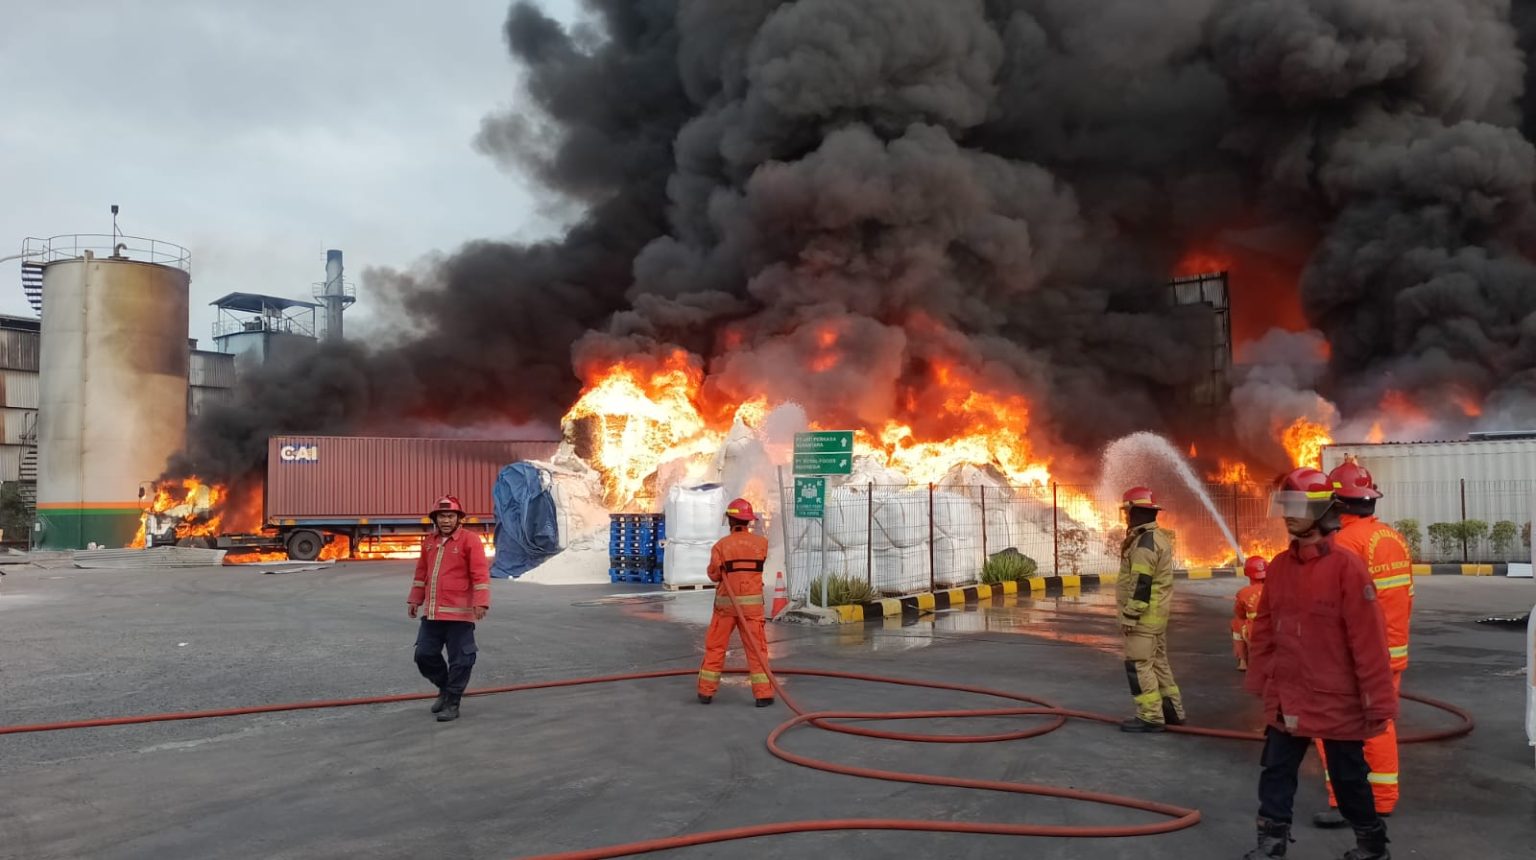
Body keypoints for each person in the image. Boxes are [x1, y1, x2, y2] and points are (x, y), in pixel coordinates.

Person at [1242, 468, 1396, 860]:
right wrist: (1262, 681)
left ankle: (1371, 843)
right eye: (1286, 506)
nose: (1289, 515)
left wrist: (1377, 704)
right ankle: (1271, 845)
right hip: (1288, 696)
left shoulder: (1347, 568)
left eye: (1298, 506)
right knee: (1275, 770)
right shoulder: (1278, 568)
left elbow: (1369, 644)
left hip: (1335, 698)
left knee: (1348, 777)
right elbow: (1263, 630)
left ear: (1322, 510)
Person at [1312, 456, 1414, 827]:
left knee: (1335, 730)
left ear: (1337, 502)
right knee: (1380, 724)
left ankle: (1343, 800)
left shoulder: (1343, 544)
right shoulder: (1393, 539)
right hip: (1391, 652)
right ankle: (1383, 799)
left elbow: (1329, 607)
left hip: (1352, 656)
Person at [407, 495, 490, 723]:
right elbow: (421, 574)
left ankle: (453, 702)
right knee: (423, 655)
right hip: (433, 613)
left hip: (460, 614)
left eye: (450, 516)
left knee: (462, 660)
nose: (446, 520)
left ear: (458, 519)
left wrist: (481, 601)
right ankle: (445, 688)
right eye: (442, 516)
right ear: (435, 518)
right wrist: (415, 599)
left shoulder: (470, 541)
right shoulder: (429, 542)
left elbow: (480, 574)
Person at [1115, 486, 1185, 732]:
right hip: (1156, 618)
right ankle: (1172, 711)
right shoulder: (1156, 538)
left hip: (1143, 618)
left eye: (1127, 510)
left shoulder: (1144, 544)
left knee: (1138, 664)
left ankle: (1150, 716)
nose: (1125, 515)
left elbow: (1141, 585)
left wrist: (1130, 615)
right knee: (1158, 664)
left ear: (1134, 511)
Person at [697, 498, 773, 707]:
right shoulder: (762, 544)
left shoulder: (720, 546)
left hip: (726, 607)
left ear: (730, 520)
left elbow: (714, 575)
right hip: (752, 609)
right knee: (757, 650)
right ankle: (763, 695)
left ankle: (706, 692)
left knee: (716, 647)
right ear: (749, 521)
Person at [1233, 556, 1267, 671]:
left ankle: (1243, 661)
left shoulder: (1243, 592)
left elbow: (1239, 613)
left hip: (1255, 630)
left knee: (1236, 623)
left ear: (1247, 572)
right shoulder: (1276, 588)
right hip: (1278, 627)